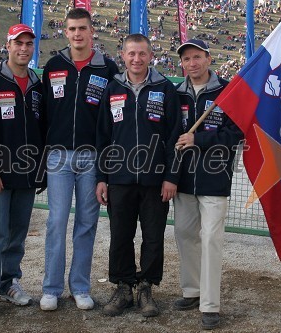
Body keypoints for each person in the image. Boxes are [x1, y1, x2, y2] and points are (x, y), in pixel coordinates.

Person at [95, 33, 181, 317]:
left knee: (153, 236)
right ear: (123, 55)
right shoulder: (112, 88)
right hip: (119, 178)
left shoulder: (165, 88)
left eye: (142, 54)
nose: (136, 59)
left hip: (155, 180)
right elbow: (103, 138)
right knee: (120, 235)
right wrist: (102, 177)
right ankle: (123, 288)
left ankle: (146, 287)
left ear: (151, 55)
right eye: (131, 54)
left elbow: (173, 138)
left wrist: (171, 176)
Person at [40, 8, 119, 311]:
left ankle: (80, 287)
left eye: (82, 28)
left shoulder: (107, 68)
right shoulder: (53, 65)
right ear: (65, 31)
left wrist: (107, 166)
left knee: (87, 224)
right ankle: (51, 288)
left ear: (91, 31)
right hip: (59, 157)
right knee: (56, 221)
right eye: (72, 29)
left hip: (92, 157)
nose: (77, 34)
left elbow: (114, 119)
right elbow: (44, 112)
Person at [0, 23, 46, 317]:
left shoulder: (38, 85)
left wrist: (41, 171)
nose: (24, 49)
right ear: (8, 45)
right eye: (19, 43)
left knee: (17, 232)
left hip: (27, 174)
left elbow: (42, 131)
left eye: (29, 44)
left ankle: (8, 282)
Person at [172, 39, 243, 330]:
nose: (192, 63)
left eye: (197, 57)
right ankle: (192, 291)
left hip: (215, 179)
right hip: (185, 179)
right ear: (183, 64)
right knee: (185, 234)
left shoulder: (227, 92)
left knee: (211, 239)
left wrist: (198, 139)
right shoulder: (176, 93)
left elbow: (235, 133)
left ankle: (210, 305)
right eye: (187, 59)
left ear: (209, 59)